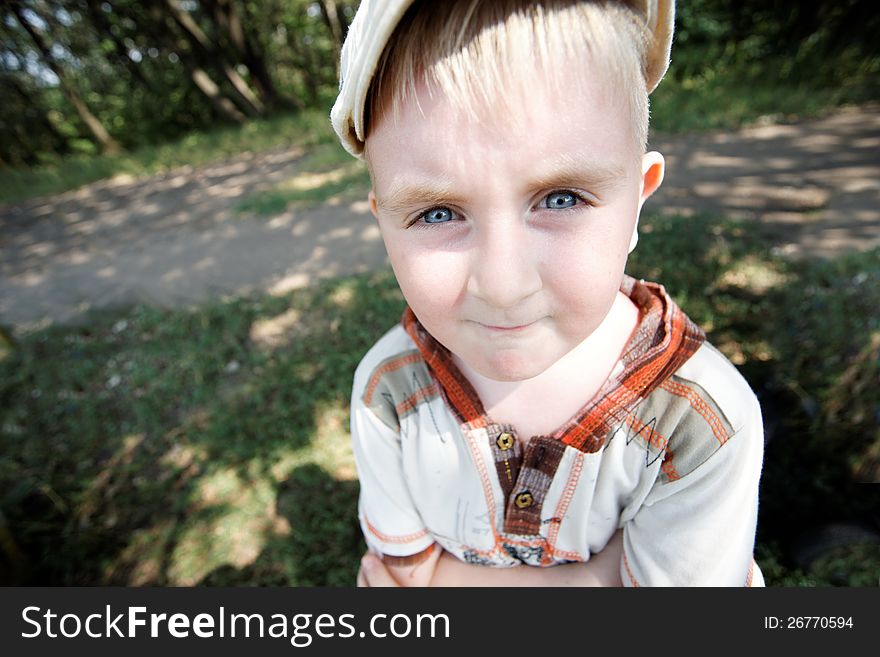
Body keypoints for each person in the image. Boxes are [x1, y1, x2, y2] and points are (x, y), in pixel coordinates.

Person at [331, 0, 764, 586]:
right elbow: (400, 577)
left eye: (561, 199)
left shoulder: (700, 423)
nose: (504, 287)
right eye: (438, 212)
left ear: (638, 201)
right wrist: (601, 580)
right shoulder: (389, 393)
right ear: (384, 222)